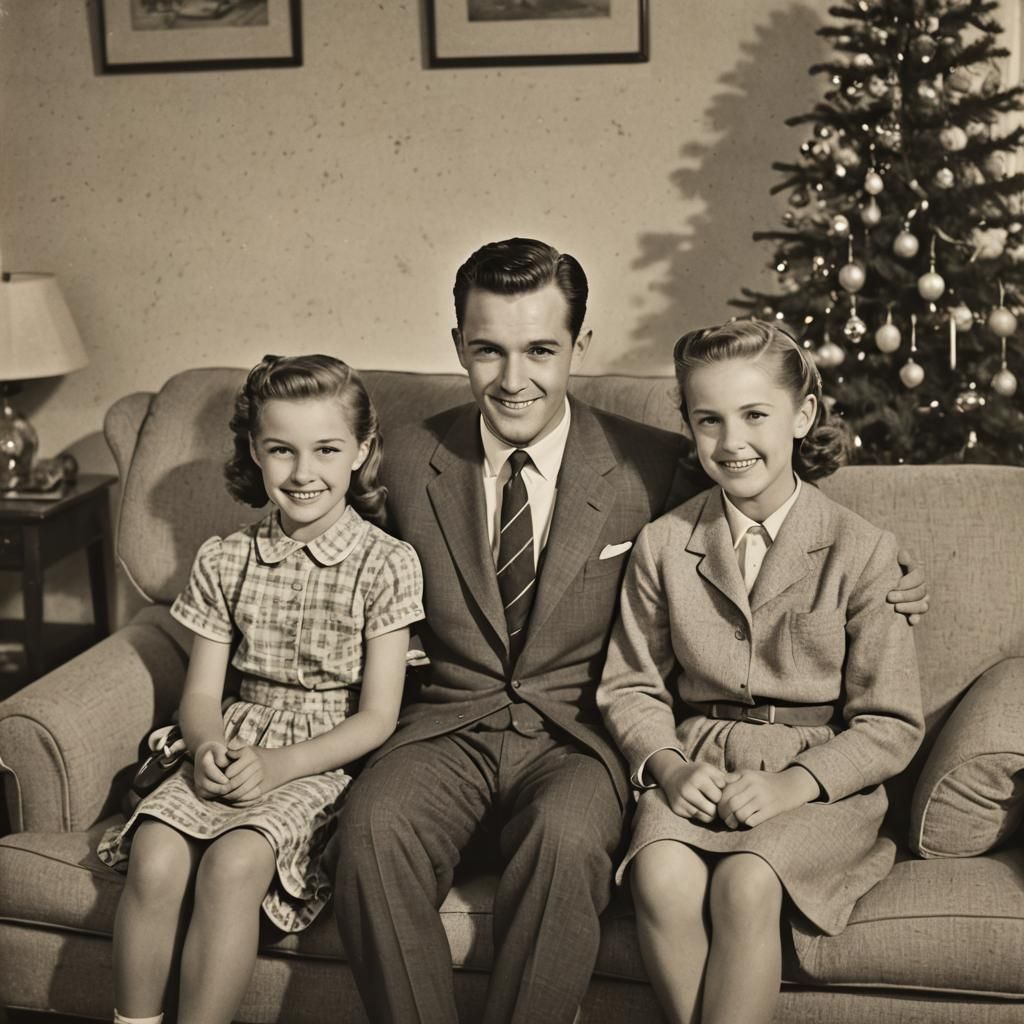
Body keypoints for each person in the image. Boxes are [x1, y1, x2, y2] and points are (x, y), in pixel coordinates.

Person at [333, 239, 929, 1024]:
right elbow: (323, 534)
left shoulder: (654, 462)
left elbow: (764, 496)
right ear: (458, 348)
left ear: (580, 345)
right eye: (488, 350)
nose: (514, 380)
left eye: (541, 349)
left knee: (569, 840)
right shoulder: (406, 459)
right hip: (447, 725)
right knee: (370, 831)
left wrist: (902, 574)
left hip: (576, 736)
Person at [596, 319, 925, 1024]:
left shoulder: (862, 551)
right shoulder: (664, 543)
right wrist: (669, 767)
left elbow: (890, 723)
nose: (731, 442)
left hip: (818, 779)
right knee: (659, 876)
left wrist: (791, 786)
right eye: (708, 420)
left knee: (746, 883)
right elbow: (630, 685)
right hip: (700, 761)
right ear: (687, 425)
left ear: (803, 415)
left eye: (754, 415)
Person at [97, 355, 423, 1024]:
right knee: (156, 857)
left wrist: (278, 765)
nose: (304, 473)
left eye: (327, 449)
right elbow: (200, 696)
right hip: (233, 738)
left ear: (361, 450)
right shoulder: (226, 558)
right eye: (282, 450)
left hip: (321, 758)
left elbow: (378, 717)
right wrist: (209, 745)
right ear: (255, 450)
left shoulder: (388, 564)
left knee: (233, 864)